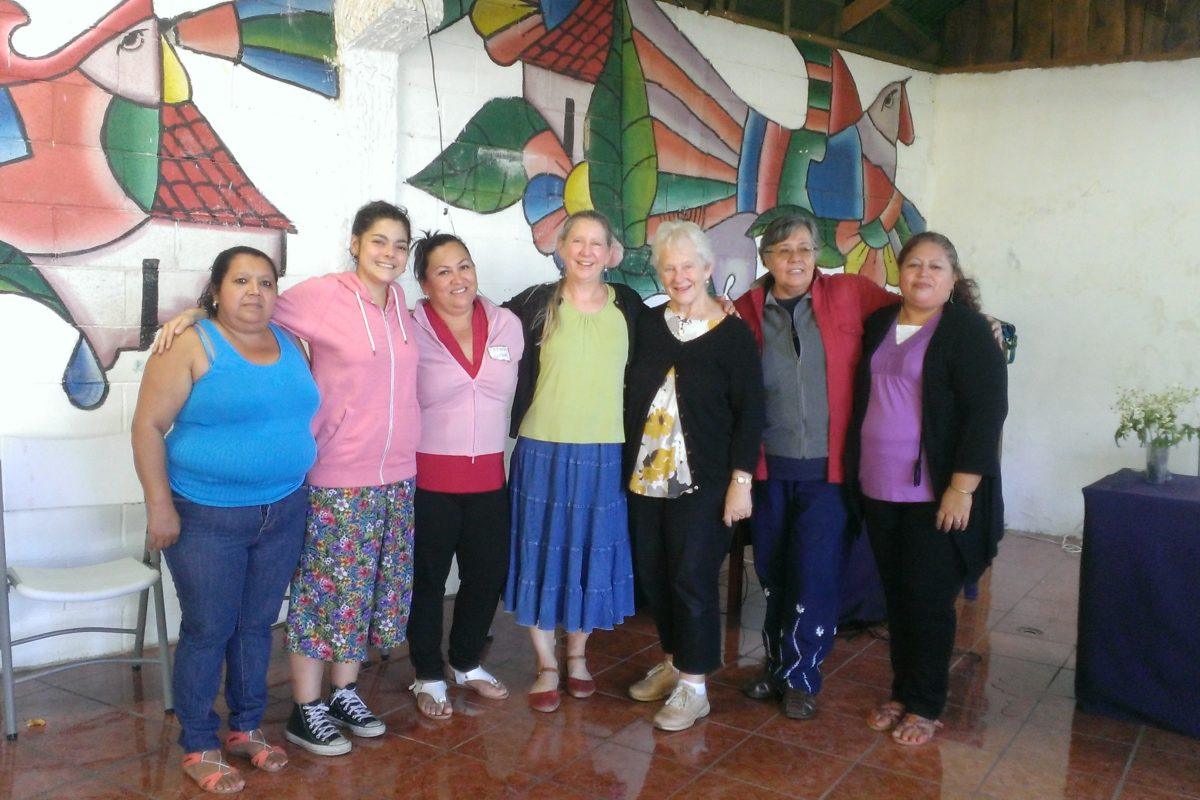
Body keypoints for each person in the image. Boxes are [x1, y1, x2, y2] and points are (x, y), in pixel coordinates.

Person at [157, 201, 419, 756]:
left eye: (399, 244)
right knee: (322, 597)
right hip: (334, 476)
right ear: (354, 243)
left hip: (390, 475)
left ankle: (341, 693)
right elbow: (245, 309)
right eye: (378, 241)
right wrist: (191, 316)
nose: (389, 253)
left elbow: (258, 311)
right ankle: (303, 708)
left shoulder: (401, 304)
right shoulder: (324, 294)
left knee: (361, 596)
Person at [133, 247, 319, 794]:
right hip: (205, 515)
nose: (255, 292)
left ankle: (245, 729)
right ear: (216, 289)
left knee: (257, 626)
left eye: (266, 281)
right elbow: (147, 428)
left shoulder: (293, 344)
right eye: (241, 280)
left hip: (283, 508)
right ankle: (198, 741)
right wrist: (158, 505)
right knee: (209, 628)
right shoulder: (189, 343)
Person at [732, 214, 899, 720]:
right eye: (784, 251)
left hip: (828, 473)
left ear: (818, 253)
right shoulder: (744, 310)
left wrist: (976, 322)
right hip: (767, 470)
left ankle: (804, 676)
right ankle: (777, 666)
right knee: (772, 572)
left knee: (815, 574)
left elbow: (916, 312)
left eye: (805, 249)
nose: (796, 259)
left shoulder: (851, 293)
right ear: (766, 260)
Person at [847, 231, 1007, 746]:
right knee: (897, 595)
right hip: (878, 484)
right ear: (899, 273)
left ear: (953, 278)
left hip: (936, 494)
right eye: (913, 265)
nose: (922, 275)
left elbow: (987, 413)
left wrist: (962, 488)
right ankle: (901, 691)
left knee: (929, 598)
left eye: (935, 267)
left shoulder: (967, 332)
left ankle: (926, 703)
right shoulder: (879, 324)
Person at [623, 222, 764, 730]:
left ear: (708, 269)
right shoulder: (647, 324)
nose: (679, 275)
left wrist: (740, 482)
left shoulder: (732, 334)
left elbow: (751, 412)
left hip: (704, 481)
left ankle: (695, 686)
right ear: (658, 272)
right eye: (669, 266)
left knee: (692, 578)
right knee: (655, 574)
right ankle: (675, 659)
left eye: (689, 265)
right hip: (644, 479)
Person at [502, 210, 641, 713]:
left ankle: (578, 657)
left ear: (612, 253)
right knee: (540, 552)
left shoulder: (629, 306)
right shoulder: (536, 304)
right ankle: (545, 664)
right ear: (561, 248)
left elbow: (677, 338)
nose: (585, 251)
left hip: (606, 451)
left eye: (596, 243)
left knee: (589, 551)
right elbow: (479, 326)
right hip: (542, 447)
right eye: (576, 241)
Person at [406, 232, 524, 718]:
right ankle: (428, 674)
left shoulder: (507, 324)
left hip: (489, 482)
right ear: (424, 282)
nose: (458, 279)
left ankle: (466, 662)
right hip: (429, 482)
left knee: (487, 575)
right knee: (428, 581)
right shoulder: (407, 327)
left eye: (465, 266)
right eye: (444, 271)